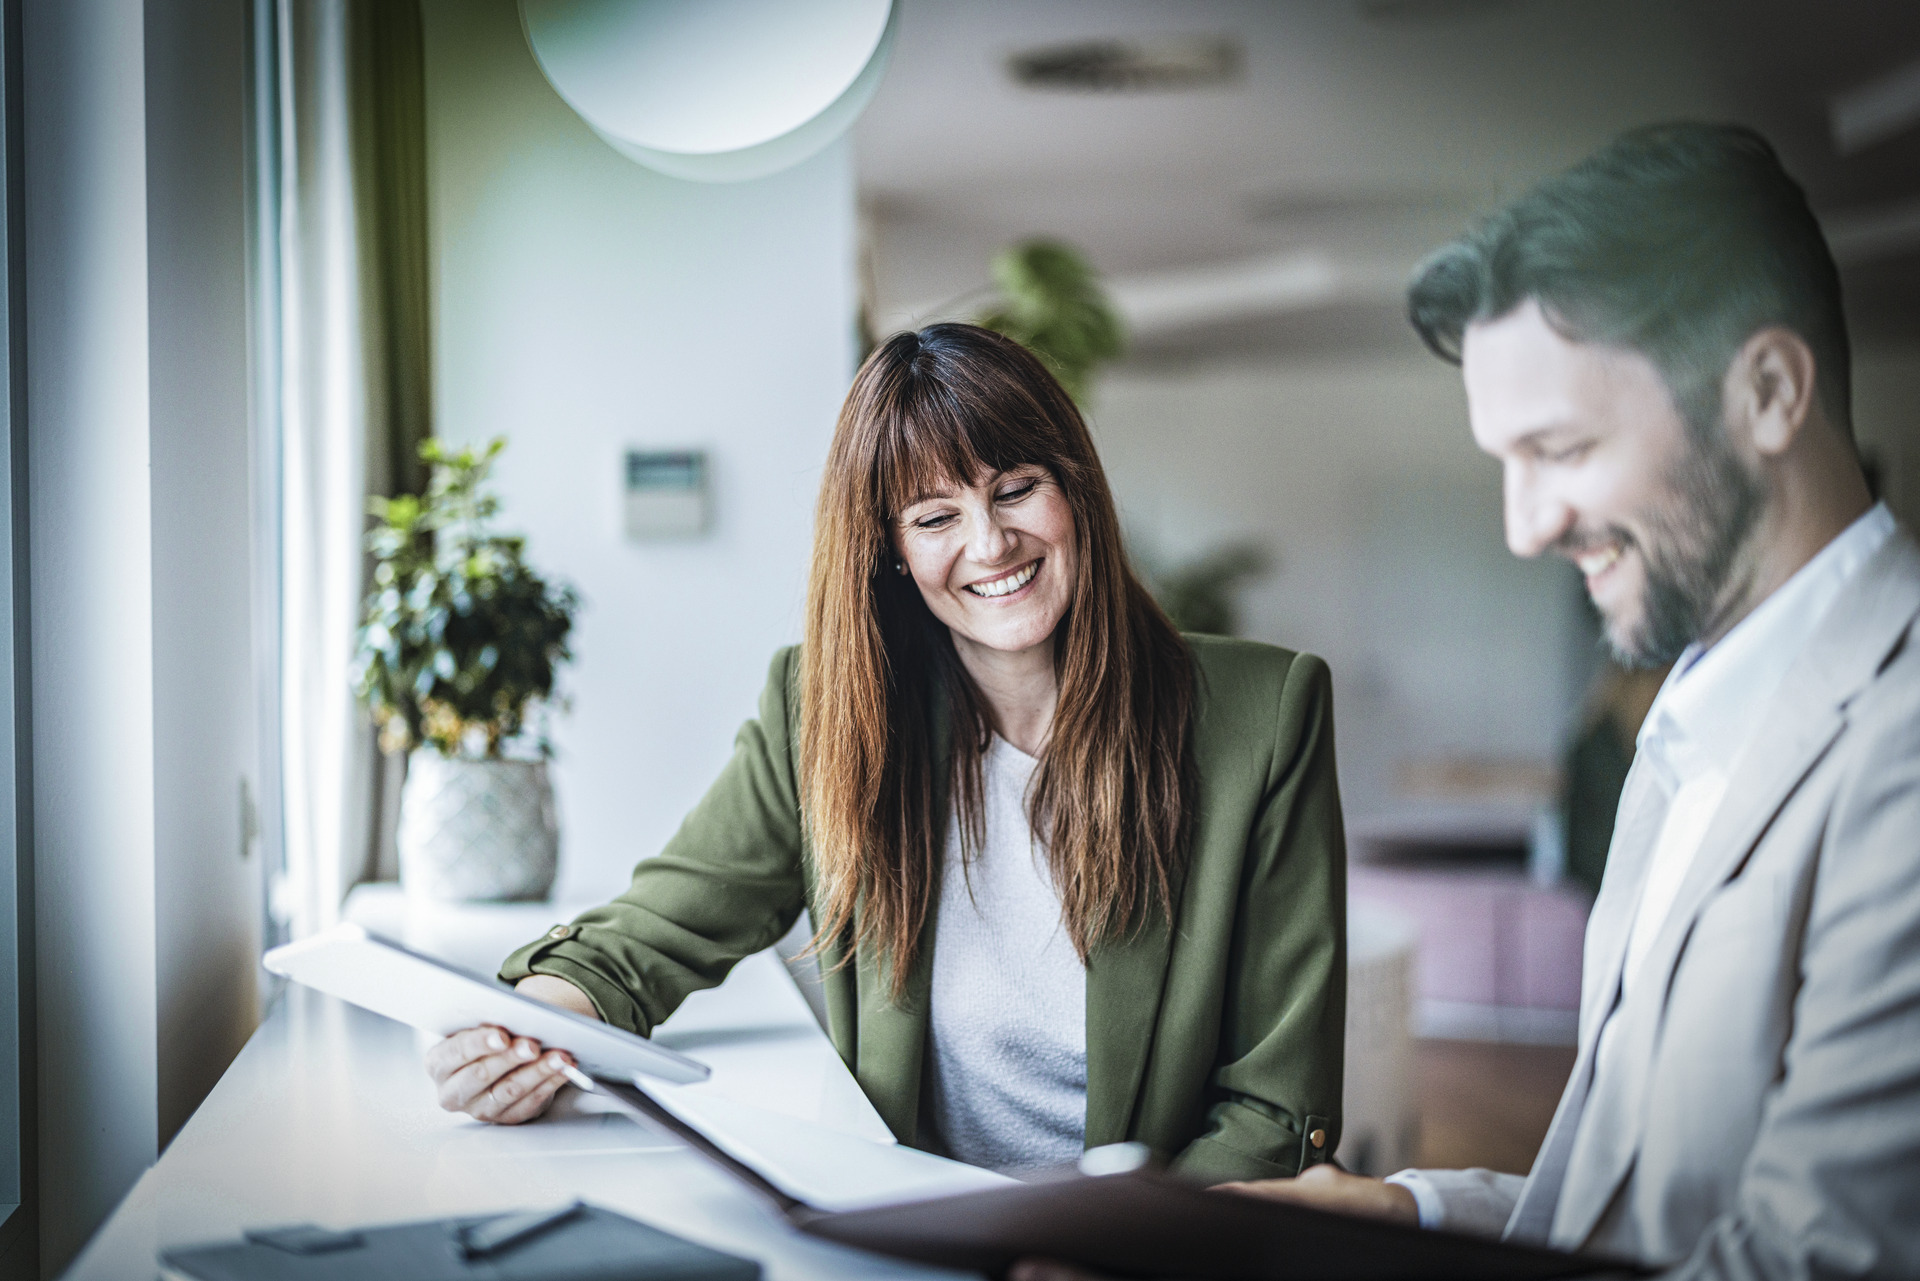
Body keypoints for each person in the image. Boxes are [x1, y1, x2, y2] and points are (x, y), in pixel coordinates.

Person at [1020, 122, 1920, 1280]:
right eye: (1506, 460)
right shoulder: (1696, 722)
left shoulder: (1899, 747)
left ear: (1769, 390)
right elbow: (1634, 1212)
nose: (1526, 525)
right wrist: (1412, 1218)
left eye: (1562, 447)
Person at [424, 323, 1349, 1181]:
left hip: (1145, 1252)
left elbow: (1275, 1107)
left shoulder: (1263, 715)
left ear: (1075, 489)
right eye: (936, 516)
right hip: (911, 1239)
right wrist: (530, 1026)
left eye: (1017, 487)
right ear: (892, 552)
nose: (991, 543)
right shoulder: (824, 714)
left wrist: (1102, 1253)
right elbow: (657, 930)